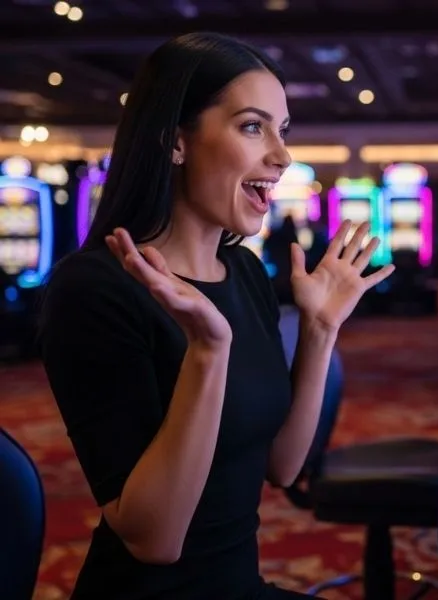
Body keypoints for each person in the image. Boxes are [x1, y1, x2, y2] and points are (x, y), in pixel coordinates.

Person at [37, 32, 394, 600]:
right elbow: (154, 540)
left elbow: (281, 466)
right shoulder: (95, 290)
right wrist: (207, 351)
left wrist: (321, 329)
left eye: (283, 130)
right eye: (253, 127)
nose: (281, 156)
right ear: (174, 140)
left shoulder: (244, 273)